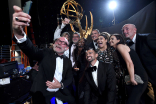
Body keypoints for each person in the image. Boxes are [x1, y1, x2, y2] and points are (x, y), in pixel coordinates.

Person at [12, 5, 75, 104]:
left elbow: (69, 78)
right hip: (43, 92)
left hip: (59, 91)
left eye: (64, 43)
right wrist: (19, 33)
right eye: (58, 41)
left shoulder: (67, 61)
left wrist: (60, 85)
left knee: (73, 100)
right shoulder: (46, 53)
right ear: (54, 43)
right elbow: (32, 51)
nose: (60, 43)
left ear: (67, 48)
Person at [109, 34, 148, 104]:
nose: (110, 41)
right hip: (132, 76)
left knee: (132, 101)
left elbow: (129, 63)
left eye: (112, 39)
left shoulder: (120, 46)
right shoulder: (117, 49)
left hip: (138, 76)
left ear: (118, 40)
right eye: (110, 39)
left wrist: (132, 79)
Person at [122, 24, 156, 103]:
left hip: (153, 74)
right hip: (141, 77)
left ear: (135, 30)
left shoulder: (147, 37)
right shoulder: (126, 44)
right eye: (123, 30)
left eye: (127, 29)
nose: (124, 31)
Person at [97, 32, 125, 104]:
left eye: (101, 38)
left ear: (106, 40)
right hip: (101, 81)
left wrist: (117, 78)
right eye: (98, 39)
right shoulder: (96, 53)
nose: (99, 40)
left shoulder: (113, 51)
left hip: (113, 80)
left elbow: (118, 65)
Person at [73, 38, 88, 103]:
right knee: (76, 86)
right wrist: (75, 66)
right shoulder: (75, 50)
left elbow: (87, 65)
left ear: (84, 43)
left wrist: (83, 75)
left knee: (82, 87)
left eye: (82, 41)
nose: (80, 42)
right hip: (77, 71)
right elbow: (76, 61)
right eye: (79, 41)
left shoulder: (86, 51)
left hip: (84, 71)